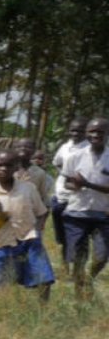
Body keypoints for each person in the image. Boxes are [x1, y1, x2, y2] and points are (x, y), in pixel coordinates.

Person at [0, 149, 54, 297]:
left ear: (16, 168)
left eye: (8, 165)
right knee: (5, 282)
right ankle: (5, 311)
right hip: (4, 242)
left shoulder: (28, 188)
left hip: (30, 239)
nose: (4, 169)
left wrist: (38, 228)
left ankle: (43, 310)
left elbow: (41, 211)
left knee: (43, 277)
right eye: (0, 165)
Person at [60, 117, 109, 294]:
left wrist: (87, 184)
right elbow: (67, 183)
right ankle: (79, 289)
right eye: (92, 131)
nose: (96, 135)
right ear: (87, 133)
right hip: (76, 213)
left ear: (107, 133)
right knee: (76, 256)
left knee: (102, 257)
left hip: (103, 214)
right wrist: (76, 185)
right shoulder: (75, 157)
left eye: (100, 131)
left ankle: (90, 279)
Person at [51, 117, 89, 256]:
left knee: (78, 236)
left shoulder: (89, 149)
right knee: (62, 237)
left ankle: (78, 268)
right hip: (61, 196)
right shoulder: (65, 147)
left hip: (79, 199)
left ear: (86, 132)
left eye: (80, 131)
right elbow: (57, 163)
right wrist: (66, 174)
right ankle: (66, 264)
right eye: (73, 130)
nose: (75, 133)